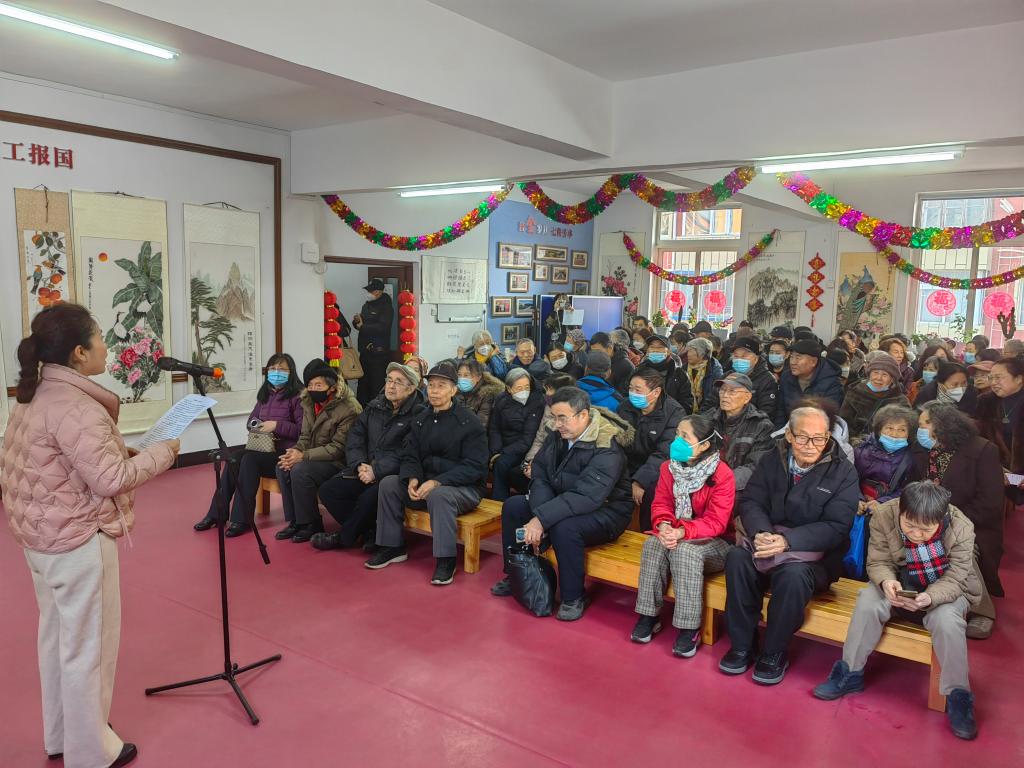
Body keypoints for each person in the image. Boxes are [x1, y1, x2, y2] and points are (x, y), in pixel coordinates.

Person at [1, 303, 180, 767]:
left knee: (57, 639)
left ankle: (63, 735)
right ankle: (92, 752)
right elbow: (110, 480)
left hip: (41, 538)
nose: (106, 346)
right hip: (77, 540)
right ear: (79, 352)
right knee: (89, 648)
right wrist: (164, 453)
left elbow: (60, 464)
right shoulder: (77, 406)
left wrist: (124, 453)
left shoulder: (35, 394)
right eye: (99, 337)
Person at [812, 482, 981, 739]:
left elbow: (957, 577)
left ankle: (958, 695)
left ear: (941, 519)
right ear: (900, 510)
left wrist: (930, 597)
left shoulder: (962, 527)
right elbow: (878, 561)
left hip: (945, 589)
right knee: (868, 600)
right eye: (909, 525)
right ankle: (849, 672)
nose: (916, 534)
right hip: (901, 581)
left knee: (947, 620)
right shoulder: (884, 514)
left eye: (925, 529)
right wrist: (886, 582)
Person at [720, 405, 859, 684]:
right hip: (766, 543)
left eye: (819, 438)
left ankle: (774, 651)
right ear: (789, 436)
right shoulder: (772, 459)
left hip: (814, 559)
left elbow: (837, 526)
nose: (811, 445)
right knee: (736, 559)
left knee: (793, 577)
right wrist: (761, 532)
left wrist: (787, 542)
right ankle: (742, 645)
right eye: (803, 437)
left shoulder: (843, 472)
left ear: (828, 437)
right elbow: (752, 501)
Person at [492, 388, 633, 620]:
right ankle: (517, 575)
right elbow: (540, 475)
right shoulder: (557, 436)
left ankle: (573, 596)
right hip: (563, 499)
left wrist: (542, 520)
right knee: (514, 506)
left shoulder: (606, 445)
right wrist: (541, 514)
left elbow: (587, 496)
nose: (557, 424)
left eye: (562, 418)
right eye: (554, 417)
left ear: (583, 415)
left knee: (565, 528)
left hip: (607, 510)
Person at [366, 361, 487, 585]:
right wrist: (412, 478)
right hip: (425, 484)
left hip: (464, 489)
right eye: (431, 385)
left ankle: (446, 560)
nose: (434, 391)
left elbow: (474, 467)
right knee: (389, 484)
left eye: (441, 386)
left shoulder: (469, 423)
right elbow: (410, 454)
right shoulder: (421, 419)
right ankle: (392, 547)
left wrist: (437, 482)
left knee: (439, 495)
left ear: (454, 390)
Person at [631, 415, 735, 655]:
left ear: (704, 445)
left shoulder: (722, 474)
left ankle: (689, 628)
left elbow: (717, 523)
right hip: (677, 532)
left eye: (684, 437)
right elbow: (661, 504)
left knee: (684, 552)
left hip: (717, 542)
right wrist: (664, 526)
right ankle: (648, 616)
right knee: (653, 544)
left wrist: (682, 532)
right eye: (677, 433)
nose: (676, 440)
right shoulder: (669, 468)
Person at [909, 402, 1002, 637]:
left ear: (944, 424)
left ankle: (982, 611)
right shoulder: (923, 452)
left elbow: (990, 504)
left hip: (972, 523)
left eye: (926, 423)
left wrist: (949, 521)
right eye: (919, 424)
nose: (921, 429)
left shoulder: (982, 450)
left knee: (958, 543)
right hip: (924, 522)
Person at [312, 362, 427, 551]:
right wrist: (360, 464)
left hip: (393, 476)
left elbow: (408, 452)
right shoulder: (376, 406)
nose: (391, 386)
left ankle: (344, 537)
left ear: (411, 388)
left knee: (368, 498)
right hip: (365, 468)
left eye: (398, 382)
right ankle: (369, 531)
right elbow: (356, 436)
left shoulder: (419, 413)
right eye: (389, 380)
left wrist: (376, 470)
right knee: (328, 490)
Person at [194, 353, 304, 536]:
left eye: (281, 369)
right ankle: (216, 514)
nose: (276, 372)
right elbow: (251, 420)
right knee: (234, 458)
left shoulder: (299, 396)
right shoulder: (265, 394)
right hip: (263, 447)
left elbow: (302, 431)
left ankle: (241, 519)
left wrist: (276, 425)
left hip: (285, 452)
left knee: (250, 460)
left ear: (291, 372)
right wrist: (256, 425)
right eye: (272, 368)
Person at [275, 360, 362, 543]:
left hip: (339, 462)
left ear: (332, 386)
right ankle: (295, 521)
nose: (313, 389)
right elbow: (305, 436)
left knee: (300, 470)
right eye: (310, 385)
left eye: (318, 385)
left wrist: (304, 456)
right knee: (283, 465)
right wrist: (296, 451)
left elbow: (338, 448)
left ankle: (311, 523)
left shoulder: (349, 408)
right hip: (315, 457)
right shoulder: (308, 401)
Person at [618, 368, 686, 530]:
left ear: (656, 392)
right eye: (630, 389)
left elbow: (664, 452)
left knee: (651, 493)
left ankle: (647, 532)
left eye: (638, 390)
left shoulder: (674, 413)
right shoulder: (625, 407)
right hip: (627, 464)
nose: (632, 394)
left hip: (657, 469)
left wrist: (640, 481)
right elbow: (617, 443)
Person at [712, 373, 776, 501]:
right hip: (708, 482)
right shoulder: (709, 419)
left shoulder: (762, 426)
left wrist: (720, 482)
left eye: (732, 391)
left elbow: (755, 467)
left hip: (740, 490)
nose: (725, 395)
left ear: (747, 397)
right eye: (722, 390)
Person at [488, 367, 545, 500]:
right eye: (519, 388)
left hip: (524, 448)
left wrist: (503, 452)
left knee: (501, 463)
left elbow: (528, 437)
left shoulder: (537, 401)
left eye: (526, 387)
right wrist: (496, 450)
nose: (524, 391)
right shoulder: (501, 399)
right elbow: (494, 427)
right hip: (503, 446)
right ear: (509, 389)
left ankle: (499, 501)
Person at [853, 405, 917, 511]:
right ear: (879, 430)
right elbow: (850, 479)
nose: (894, 434)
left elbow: (908, 489)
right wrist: (857, 498)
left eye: (902, 430)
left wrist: (882, 502)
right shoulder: (861, 450)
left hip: (888, 507)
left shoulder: (911, 459)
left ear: (909, 434)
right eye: (889, 428)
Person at [838, 353, 911, 442]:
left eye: (885, 375)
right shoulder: (855, 393)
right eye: (875, 373)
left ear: (892, 379)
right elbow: (843, 422)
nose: (879, 378)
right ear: (869, 374)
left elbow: (904, 429)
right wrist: (853, 440)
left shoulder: (900, 401)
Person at [520, 373, 577, 483]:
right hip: (541, 457)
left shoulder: (573, 417)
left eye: (550, 390)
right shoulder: (548, 407)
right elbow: (540, 438)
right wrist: (529, 460)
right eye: (546, 389)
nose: (546, 394)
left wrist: (537, 466)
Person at [776, 337, 845, 426]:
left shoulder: (831, 383)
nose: (792, 362)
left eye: (798, 358)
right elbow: (780, 411)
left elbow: (829, 417)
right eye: (791, 357)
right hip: (789, 428)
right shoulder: (786, 377)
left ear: (813, 362)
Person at [353, 277, 394, 405]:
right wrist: (356, 322)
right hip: (365, 352)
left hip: (378, 354)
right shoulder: (366, 305)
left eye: (371, 291)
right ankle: (361, 411)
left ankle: (376, 411)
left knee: (376, 386)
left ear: (378, 292)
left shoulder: (386, 307)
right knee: (362, 385)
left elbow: (383, 328)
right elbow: (360, 325)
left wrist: (363, 327)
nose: (369, 293)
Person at [635, 335, 695, 412]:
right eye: (652, 347)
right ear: (647, 351)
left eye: (660, 347)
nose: (655, 350)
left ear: (669, 352)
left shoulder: (679, 374)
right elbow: (628, 395)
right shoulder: (639, 371)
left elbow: (687, 403)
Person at [729, 336, 778, 422]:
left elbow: (766, 413)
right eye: (736, 356)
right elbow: (711, 404)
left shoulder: (767, 380)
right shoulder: (728, 377)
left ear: (756, 359)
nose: (739, 360)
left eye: (744, 356)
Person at [455, 357, 504, 429]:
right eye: (459, 375)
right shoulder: (454, 391)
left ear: (478, 377)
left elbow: (481, 423)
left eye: (466, 375)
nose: (462, 378)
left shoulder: (486, 394)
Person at [684, 338, 723, 415]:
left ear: (701, 353)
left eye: (691, 351)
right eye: (688, 351)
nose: (688, 354)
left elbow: (714, 399)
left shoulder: (715, 371)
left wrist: (700, 416)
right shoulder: (683, 369)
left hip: (706, 414)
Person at [590, 331, 634, 395]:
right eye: (593, 352)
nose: (595, 355)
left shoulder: (626, 366)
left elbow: (624, 394)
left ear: (610, 348)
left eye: (598, 351)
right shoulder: (597, 362)